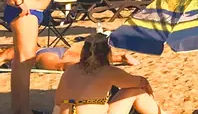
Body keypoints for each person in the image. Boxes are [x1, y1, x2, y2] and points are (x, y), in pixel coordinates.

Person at [51, 33, 180, 114]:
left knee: (97, 107)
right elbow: (140, 82)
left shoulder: (70, 70)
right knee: (134, 91)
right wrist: (148, 90)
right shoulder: (108, 71)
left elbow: (58, 102)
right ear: (108, 53)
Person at [1, 42, 137, 71]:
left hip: (41, 56)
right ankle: (120, 57)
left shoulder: (9, 51)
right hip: (55, 49)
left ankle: (89, 67)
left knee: (60, 66)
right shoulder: (16, 46)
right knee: (83, 57)